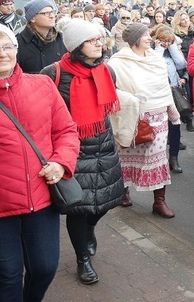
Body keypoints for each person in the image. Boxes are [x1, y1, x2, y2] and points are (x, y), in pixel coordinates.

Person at [41, 19, 124, 285]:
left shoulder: (106, 71)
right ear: (77, 46)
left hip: (104, 148)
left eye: (101, 39)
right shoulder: (52, 73)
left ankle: (90, 229)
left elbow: (107, 110)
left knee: (103, 204)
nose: (100, 44)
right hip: (71, 153)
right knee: (78, 208)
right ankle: (82, 260)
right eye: (92, 40)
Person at [0, 26, 79, 301]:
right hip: (2, 205)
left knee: (45, 267)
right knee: (7, 274)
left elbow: (66, 131)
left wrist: (61, 163)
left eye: (6, 46)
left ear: (16, 50)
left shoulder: (42, 85)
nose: (2, 54)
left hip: (42, 196)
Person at [107, 23, 181, 217]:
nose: (150, 38)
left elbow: (164, 87)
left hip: (158, 116)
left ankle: (159, 201)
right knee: (125, 156)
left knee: (158, 157)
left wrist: (172, 111)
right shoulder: (117, 62)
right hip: (131, 116)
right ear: (134, 40)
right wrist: (132, 100)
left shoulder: (156, 60)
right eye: (145, 35)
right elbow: (111, 90)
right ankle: (124, 193)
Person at [150, 24, 188, 173]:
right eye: (163, 40)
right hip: (157, 94)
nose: (166, 43)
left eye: (169, 41)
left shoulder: (172, 52)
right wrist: (159, 48)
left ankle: (173, 158)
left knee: (175, 125)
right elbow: (154, 65)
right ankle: (158, 160)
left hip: (173, 92)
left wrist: (172, 47)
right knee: (159, 128)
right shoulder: (152, 51)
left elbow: (181, 64)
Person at [17, 0, 66, 74]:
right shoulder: (18, 42)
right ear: (32, 18)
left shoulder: (62, 39)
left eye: (52, 12)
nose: (52, 16)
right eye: (46, 13)